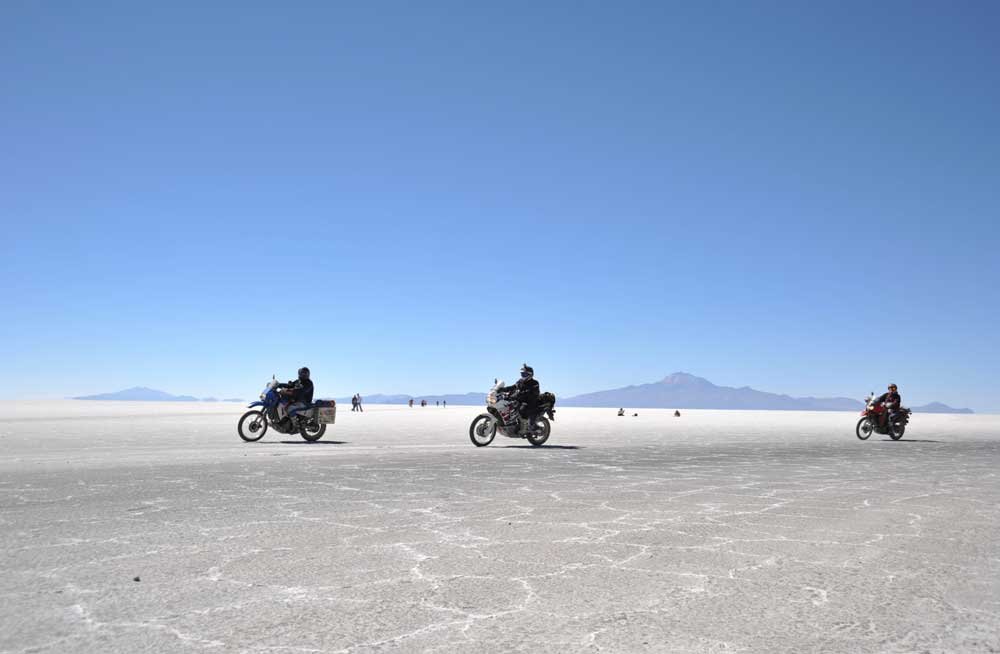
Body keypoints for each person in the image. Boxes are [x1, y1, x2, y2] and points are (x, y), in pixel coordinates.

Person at [499, 364, 542, 432]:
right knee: (509, 407)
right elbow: (513, 387)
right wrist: (503, 389)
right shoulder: (520, 381)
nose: (523, 376)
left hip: (531, 402)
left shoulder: (534, 383)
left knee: (522, 409)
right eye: (522, 374)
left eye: (524, 374)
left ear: (530, 375)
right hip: (521, 400)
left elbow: (529, 393)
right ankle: (512, 424)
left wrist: (518, 394)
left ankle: (529, 426)